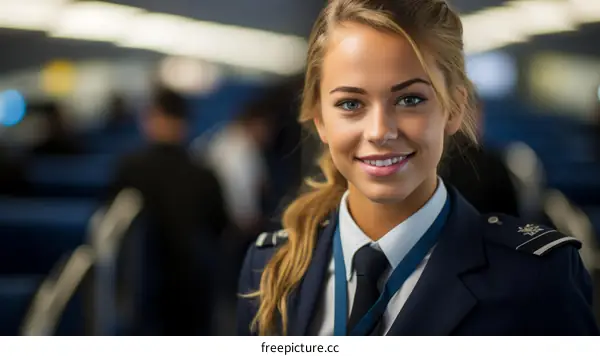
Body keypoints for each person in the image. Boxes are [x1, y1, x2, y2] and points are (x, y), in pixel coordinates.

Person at [236, 0, 598, 336]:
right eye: (350, 103)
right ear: (320, 120)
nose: (380, 131)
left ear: (454, 110)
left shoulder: (536, 278)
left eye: (410, 100)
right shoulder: (270, 266)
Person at [111, 86, 229, 335]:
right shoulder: (204, 174)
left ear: (151, 119)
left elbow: (112, 230)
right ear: (185, 123)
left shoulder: (129, 168)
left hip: (142, 289)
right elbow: (220, 226)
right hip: (192, 284)